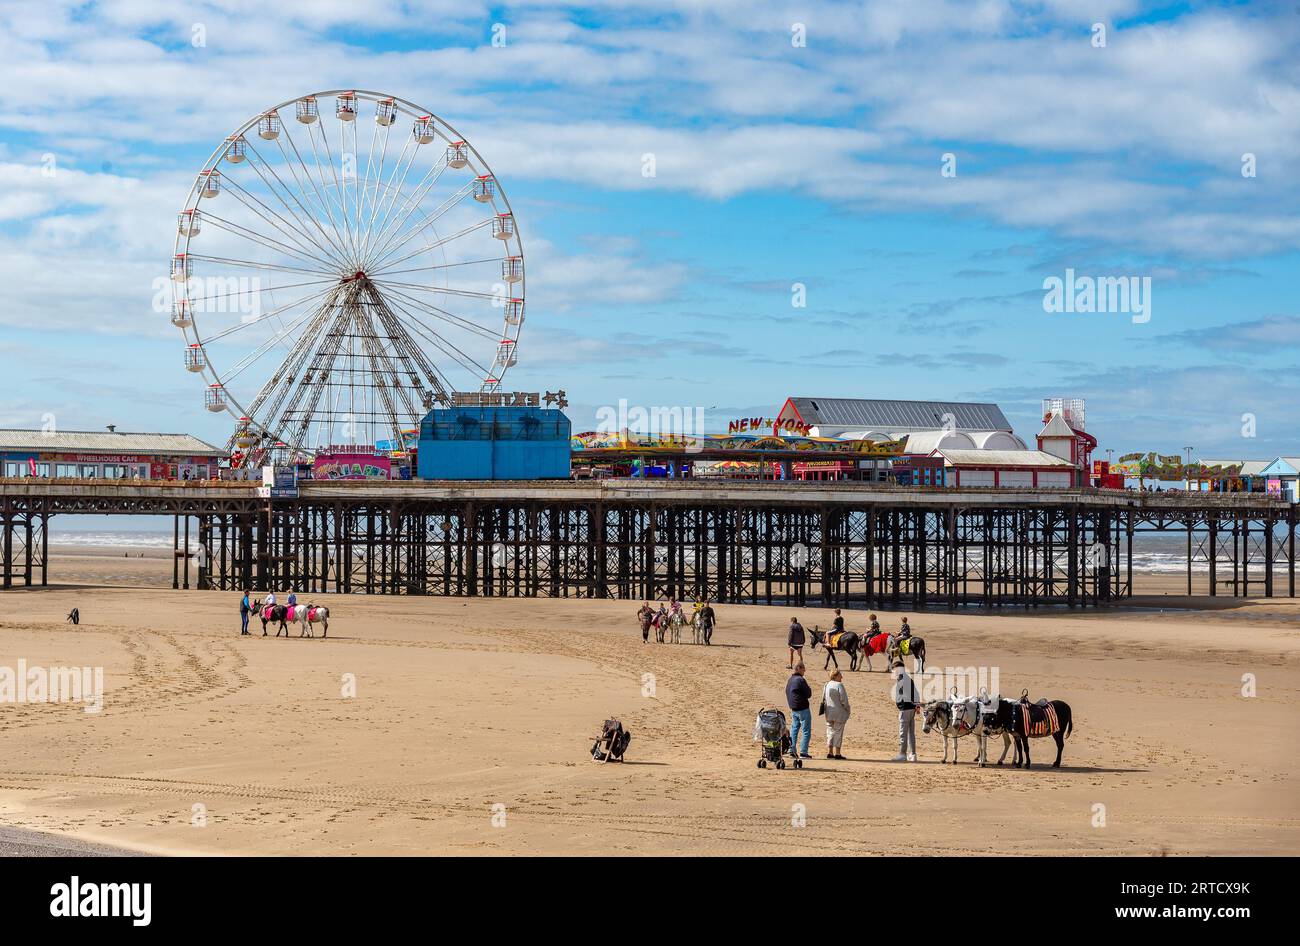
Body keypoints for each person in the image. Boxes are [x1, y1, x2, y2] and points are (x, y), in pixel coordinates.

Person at [891, 659, 919, 762]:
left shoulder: (901, 678)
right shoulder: (908, 678)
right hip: (911, 708)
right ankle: (913, 754)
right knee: (911, 732)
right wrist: (916, 705)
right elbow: (915, 692)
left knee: (903, 732)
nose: (893, 672)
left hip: (905, 709)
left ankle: (902, 754)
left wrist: (912, 704)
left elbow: (905, 694)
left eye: (894, 669)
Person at [786, 662, 813, 760]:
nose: (804, 671)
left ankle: (791, 750)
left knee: (794, 729)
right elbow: (808, 693)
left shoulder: (790, 679)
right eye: (803, 669)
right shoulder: (800, 680)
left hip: (794, 708)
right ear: (799, 669)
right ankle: (803, 752)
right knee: (806, 730)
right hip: (802, 708)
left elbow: (787, 692)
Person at [822, 669, 851, 760]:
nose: (841, 677)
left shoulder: (826, 684)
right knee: (838, 731)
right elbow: (844, 700)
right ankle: (837, 753)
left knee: (830, 731)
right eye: (840, 675)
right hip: (839, 712)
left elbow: (823, 698)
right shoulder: (839, 685)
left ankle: (830, 752)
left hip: (829, 711)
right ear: (835, 676)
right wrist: (848, 709)